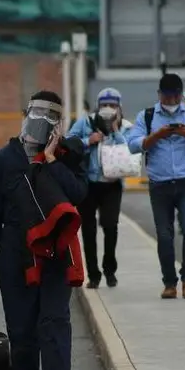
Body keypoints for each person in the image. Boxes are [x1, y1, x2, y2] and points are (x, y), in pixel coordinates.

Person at [0, 91, 87, 370]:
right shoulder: (7, 159)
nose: (41, 122)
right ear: (25, 116)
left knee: (54, 322)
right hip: (15, 254)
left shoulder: (67, 155)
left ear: (59, 124)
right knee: (21, 328)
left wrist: (52, 160)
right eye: (36, 115)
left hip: (55, 253)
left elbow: (79, 193)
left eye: (50, 118)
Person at [127, 73, 185, 300]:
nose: (171, 102)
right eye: (167, 97)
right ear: (159, 95)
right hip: (159, 184)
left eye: (175, 97)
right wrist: (156, 136)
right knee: (164, 235)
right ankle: (169, 283)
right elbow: (133, 145)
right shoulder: (148, 116)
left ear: (182, 95)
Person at [67, 87, 128, 289]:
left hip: (112, 184)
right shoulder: (85, 122)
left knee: (110, 226)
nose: (108, 109)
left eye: (112, 105)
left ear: (119, 106)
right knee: (88, 229)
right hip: (89, 183)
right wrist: (88, 141)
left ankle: (110, 269)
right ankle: (93, 274)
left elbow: (130, 149)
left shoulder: (125, 125)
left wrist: (116, 130)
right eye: (104, 105)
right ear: (97, 105)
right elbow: (68, 142)